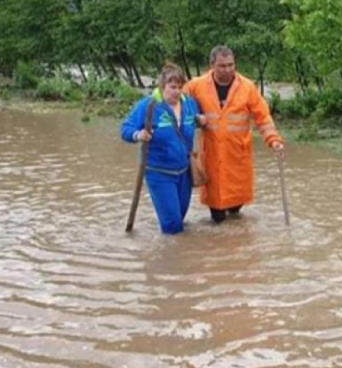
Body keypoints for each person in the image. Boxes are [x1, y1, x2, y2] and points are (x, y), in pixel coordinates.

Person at [184, 45, 285, 223]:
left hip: (237, 155)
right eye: (222, 66)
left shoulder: (247, 87)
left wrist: (274, 140)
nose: (228, 69)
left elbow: (263, 117)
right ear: (212, 65)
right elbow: (174, 101)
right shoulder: (196, 86)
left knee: (236, 208)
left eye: (231, 65)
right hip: (212, 155)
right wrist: (193, 118)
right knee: (217, 214)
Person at [120, 63, 205, 234]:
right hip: (159, 172)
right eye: (173, 87)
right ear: (162, 86)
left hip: (184, 172)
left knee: (180, 217)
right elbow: (125, 129)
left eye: (180, 87)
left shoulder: (189, 104)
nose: (177, 91)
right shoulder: (149, 106)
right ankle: (171, 258)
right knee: (172, 225)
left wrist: (200, 120)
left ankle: (174, 252)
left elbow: (193, 121)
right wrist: (139, 135)